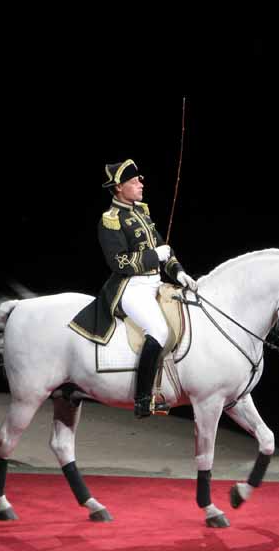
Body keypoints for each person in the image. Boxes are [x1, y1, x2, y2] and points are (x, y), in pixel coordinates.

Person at [69, 159, 197, 418]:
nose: (141, 183)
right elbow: (119, 262)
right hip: (131, 287)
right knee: (160, 331)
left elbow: (165, 250)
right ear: (119, 187)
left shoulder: (142, 212)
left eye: (139, 179)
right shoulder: (111, 220)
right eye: (134, 180)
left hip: (155, 283)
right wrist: (154, 256)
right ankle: (143, 398)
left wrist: (179, 271)